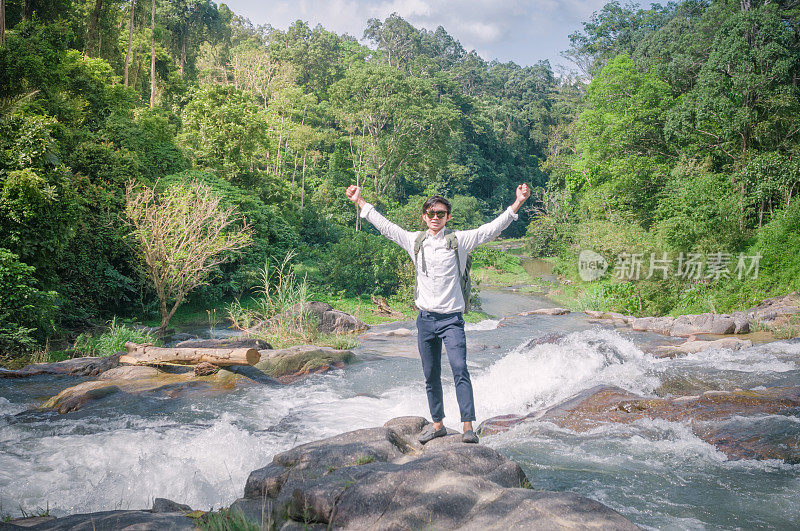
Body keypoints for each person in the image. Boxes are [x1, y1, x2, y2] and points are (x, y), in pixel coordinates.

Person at [346, 183, 530, 444]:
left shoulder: (460, 241)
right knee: (430, 374)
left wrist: (517, 203)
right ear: (424, 216)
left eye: (441, 214)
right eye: (431, 213)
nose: (435, 217)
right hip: (425, 321)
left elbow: (491, 229)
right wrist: (360, 201)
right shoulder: (415, 241)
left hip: (452, 321)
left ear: (448, 217)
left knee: (459, 369)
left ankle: (468, 426)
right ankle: (438, 424)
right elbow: (386, 227)